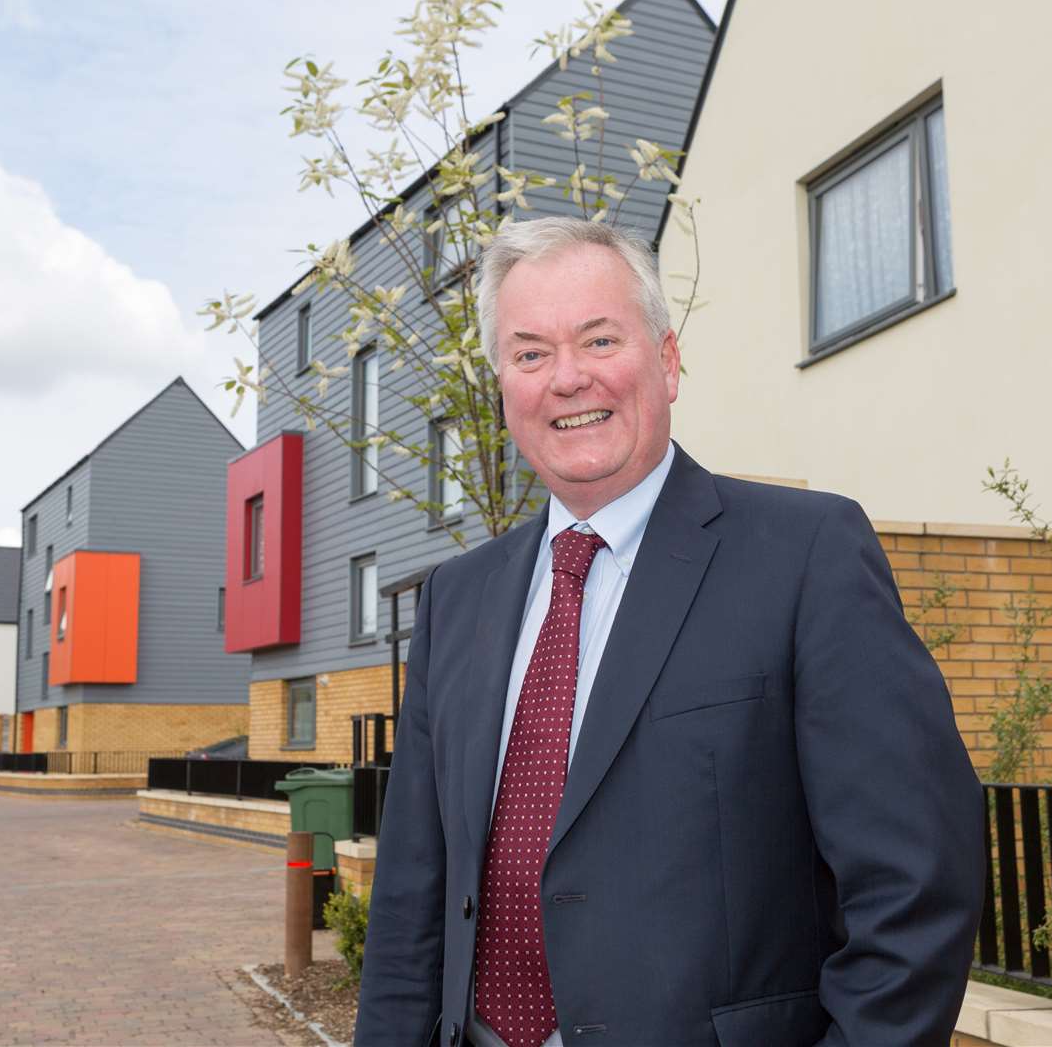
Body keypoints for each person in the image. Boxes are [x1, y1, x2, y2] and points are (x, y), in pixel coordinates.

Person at [355, 217, 985, 1047]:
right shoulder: (456, 599)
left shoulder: (806, 556)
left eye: (600, 339)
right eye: (531, 353)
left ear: (669, 360)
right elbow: (412, 897)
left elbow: (915, 893)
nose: (568, 378)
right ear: (503, 383)